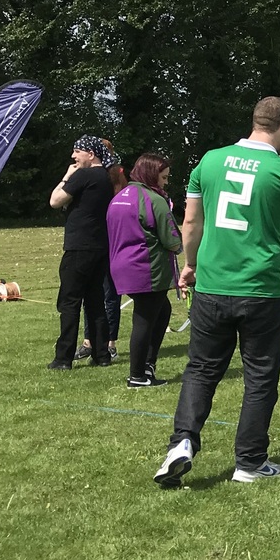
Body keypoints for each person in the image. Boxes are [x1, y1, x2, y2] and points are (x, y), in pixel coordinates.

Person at [152, 97, 280, 487]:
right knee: (259, 377)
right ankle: (250, 461)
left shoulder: (209, 160)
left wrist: (190, 265)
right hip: (260, 290)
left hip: (212, 286)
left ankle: (182, 442)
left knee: (202, 370)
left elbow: (190, 222)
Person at [106, 151, 182, 387]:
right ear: (152, 174)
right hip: (147, 268)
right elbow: (171, 239)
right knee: (145, 319)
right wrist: (180, 246)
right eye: (164, 177)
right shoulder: (153, 199)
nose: (165, 182)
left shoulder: (119, 197)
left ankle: (147, 366)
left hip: (120, 265)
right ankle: (138, 375)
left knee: (161, 311)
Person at [48, 135, 117, 369]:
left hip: (79, 247)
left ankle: (63, 358)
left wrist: (67, 175)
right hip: (100, 246)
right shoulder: (107, 178)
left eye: (77, 151)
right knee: (95, 301)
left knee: (69, 302)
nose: (73, 156)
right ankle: (102, 355)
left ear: (91, 154)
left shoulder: (83, 175)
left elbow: (55, 201)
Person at [79, 139, 125, 362]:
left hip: (112, 239)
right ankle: (89, 341)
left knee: (110, 294)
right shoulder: (87, 174)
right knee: (91, 293)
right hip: (93, 239)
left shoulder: (114, 174)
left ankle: (110, 343)